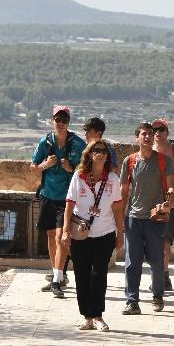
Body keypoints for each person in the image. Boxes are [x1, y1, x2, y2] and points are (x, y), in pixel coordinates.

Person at [61, 139, 124, 331]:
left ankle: (97, 315)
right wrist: (65, 231)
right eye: (96, 150)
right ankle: (86, 316)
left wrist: (120, 233)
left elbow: (118, 207)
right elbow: (69, 205)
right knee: (81, 273)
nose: (101, 154)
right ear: (89, 154)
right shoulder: (79, 177)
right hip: (81, 233)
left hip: (104, 232)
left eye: (104, 151)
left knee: (99, 274)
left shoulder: (112, 179)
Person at [120, 122, 174, 315]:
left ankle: (157, 296)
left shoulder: (164, 161)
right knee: (132, 262)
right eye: (143, 134)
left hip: (156, 219)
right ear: (137, 137)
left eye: (150, 134)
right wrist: (121, 219)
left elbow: (171, 186)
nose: (147, 137)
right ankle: (132, 300)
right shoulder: (129, 161)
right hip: (134, 218)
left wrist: (169, 195)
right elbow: (124, 192)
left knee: (156, 260)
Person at [31, 105, 85, 297]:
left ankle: (56, 279)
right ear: (52, 121)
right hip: (47, 194)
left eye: (64, 120)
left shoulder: (78, 144)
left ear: (68, 123)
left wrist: (72, 168)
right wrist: (46, 164)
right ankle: (58, 275)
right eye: (58, 120)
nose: (60, 124)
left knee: (61, 237)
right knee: (51, 237)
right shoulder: (45, 142)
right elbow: (33, 166)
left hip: (68, 197)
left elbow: (86, 167)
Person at [151, 118, 174, 290]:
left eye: (161, 129)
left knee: (165, 243)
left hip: (171, 205)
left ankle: (162, 275)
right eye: (154, 129)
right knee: (153, 243)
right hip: (151, 204)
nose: (157, 132)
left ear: (167, 132)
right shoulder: (147, 152)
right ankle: (160, 275)